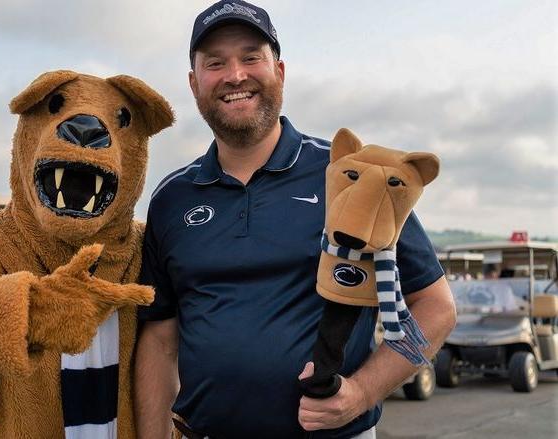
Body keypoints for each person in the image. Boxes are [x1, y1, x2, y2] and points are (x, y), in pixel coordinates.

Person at [134, 1, 457, 438]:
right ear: (194, 83)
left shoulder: (354, 177)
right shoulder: (171, 198)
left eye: (251, 57)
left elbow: (436, 306)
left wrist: (362, 392)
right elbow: (159, 338)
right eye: (216, 63)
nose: (235, 75)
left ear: (280, 71)